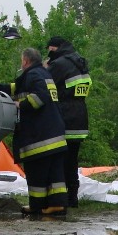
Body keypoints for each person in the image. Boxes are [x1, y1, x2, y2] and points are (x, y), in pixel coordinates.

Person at [0, 48, 68, 216]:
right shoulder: (42, 73)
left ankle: (37, 206)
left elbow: (40, 96)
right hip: (55, 134)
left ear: (25, 61)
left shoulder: (33, 75)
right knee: (55, 173)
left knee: (36, 172)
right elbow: (16, 88)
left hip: (40, 137)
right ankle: (57, 204)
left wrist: (20, 105)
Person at [45, 36, 91, 207]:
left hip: (64, 116)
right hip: (79, 117)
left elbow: (44, 84)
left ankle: (61, 198)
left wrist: (45, 68)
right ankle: (73, 197)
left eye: (49, 49)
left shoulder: (59, 64)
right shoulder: (81, 63)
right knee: (72, 161)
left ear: (54, 48)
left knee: (59, 161)